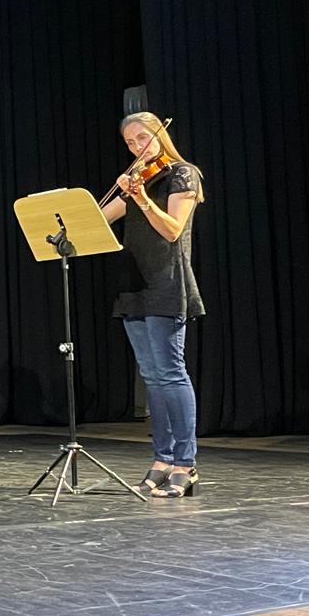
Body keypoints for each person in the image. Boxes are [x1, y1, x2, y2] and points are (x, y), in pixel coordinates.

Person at [100, 112, 204, 499]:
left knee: (171, 373)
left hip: (166, 282)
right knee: (152, 376)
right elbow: (100, 218)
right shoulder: (137, 180)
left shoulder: (182, 174)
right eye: (130, 143)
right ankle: (162, 459)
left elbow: (172, 230)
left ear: (160, 135)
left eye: (142, 138)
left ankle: (185, 464)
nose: (137, 147)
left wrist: (142, 198)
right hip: (134, 285)